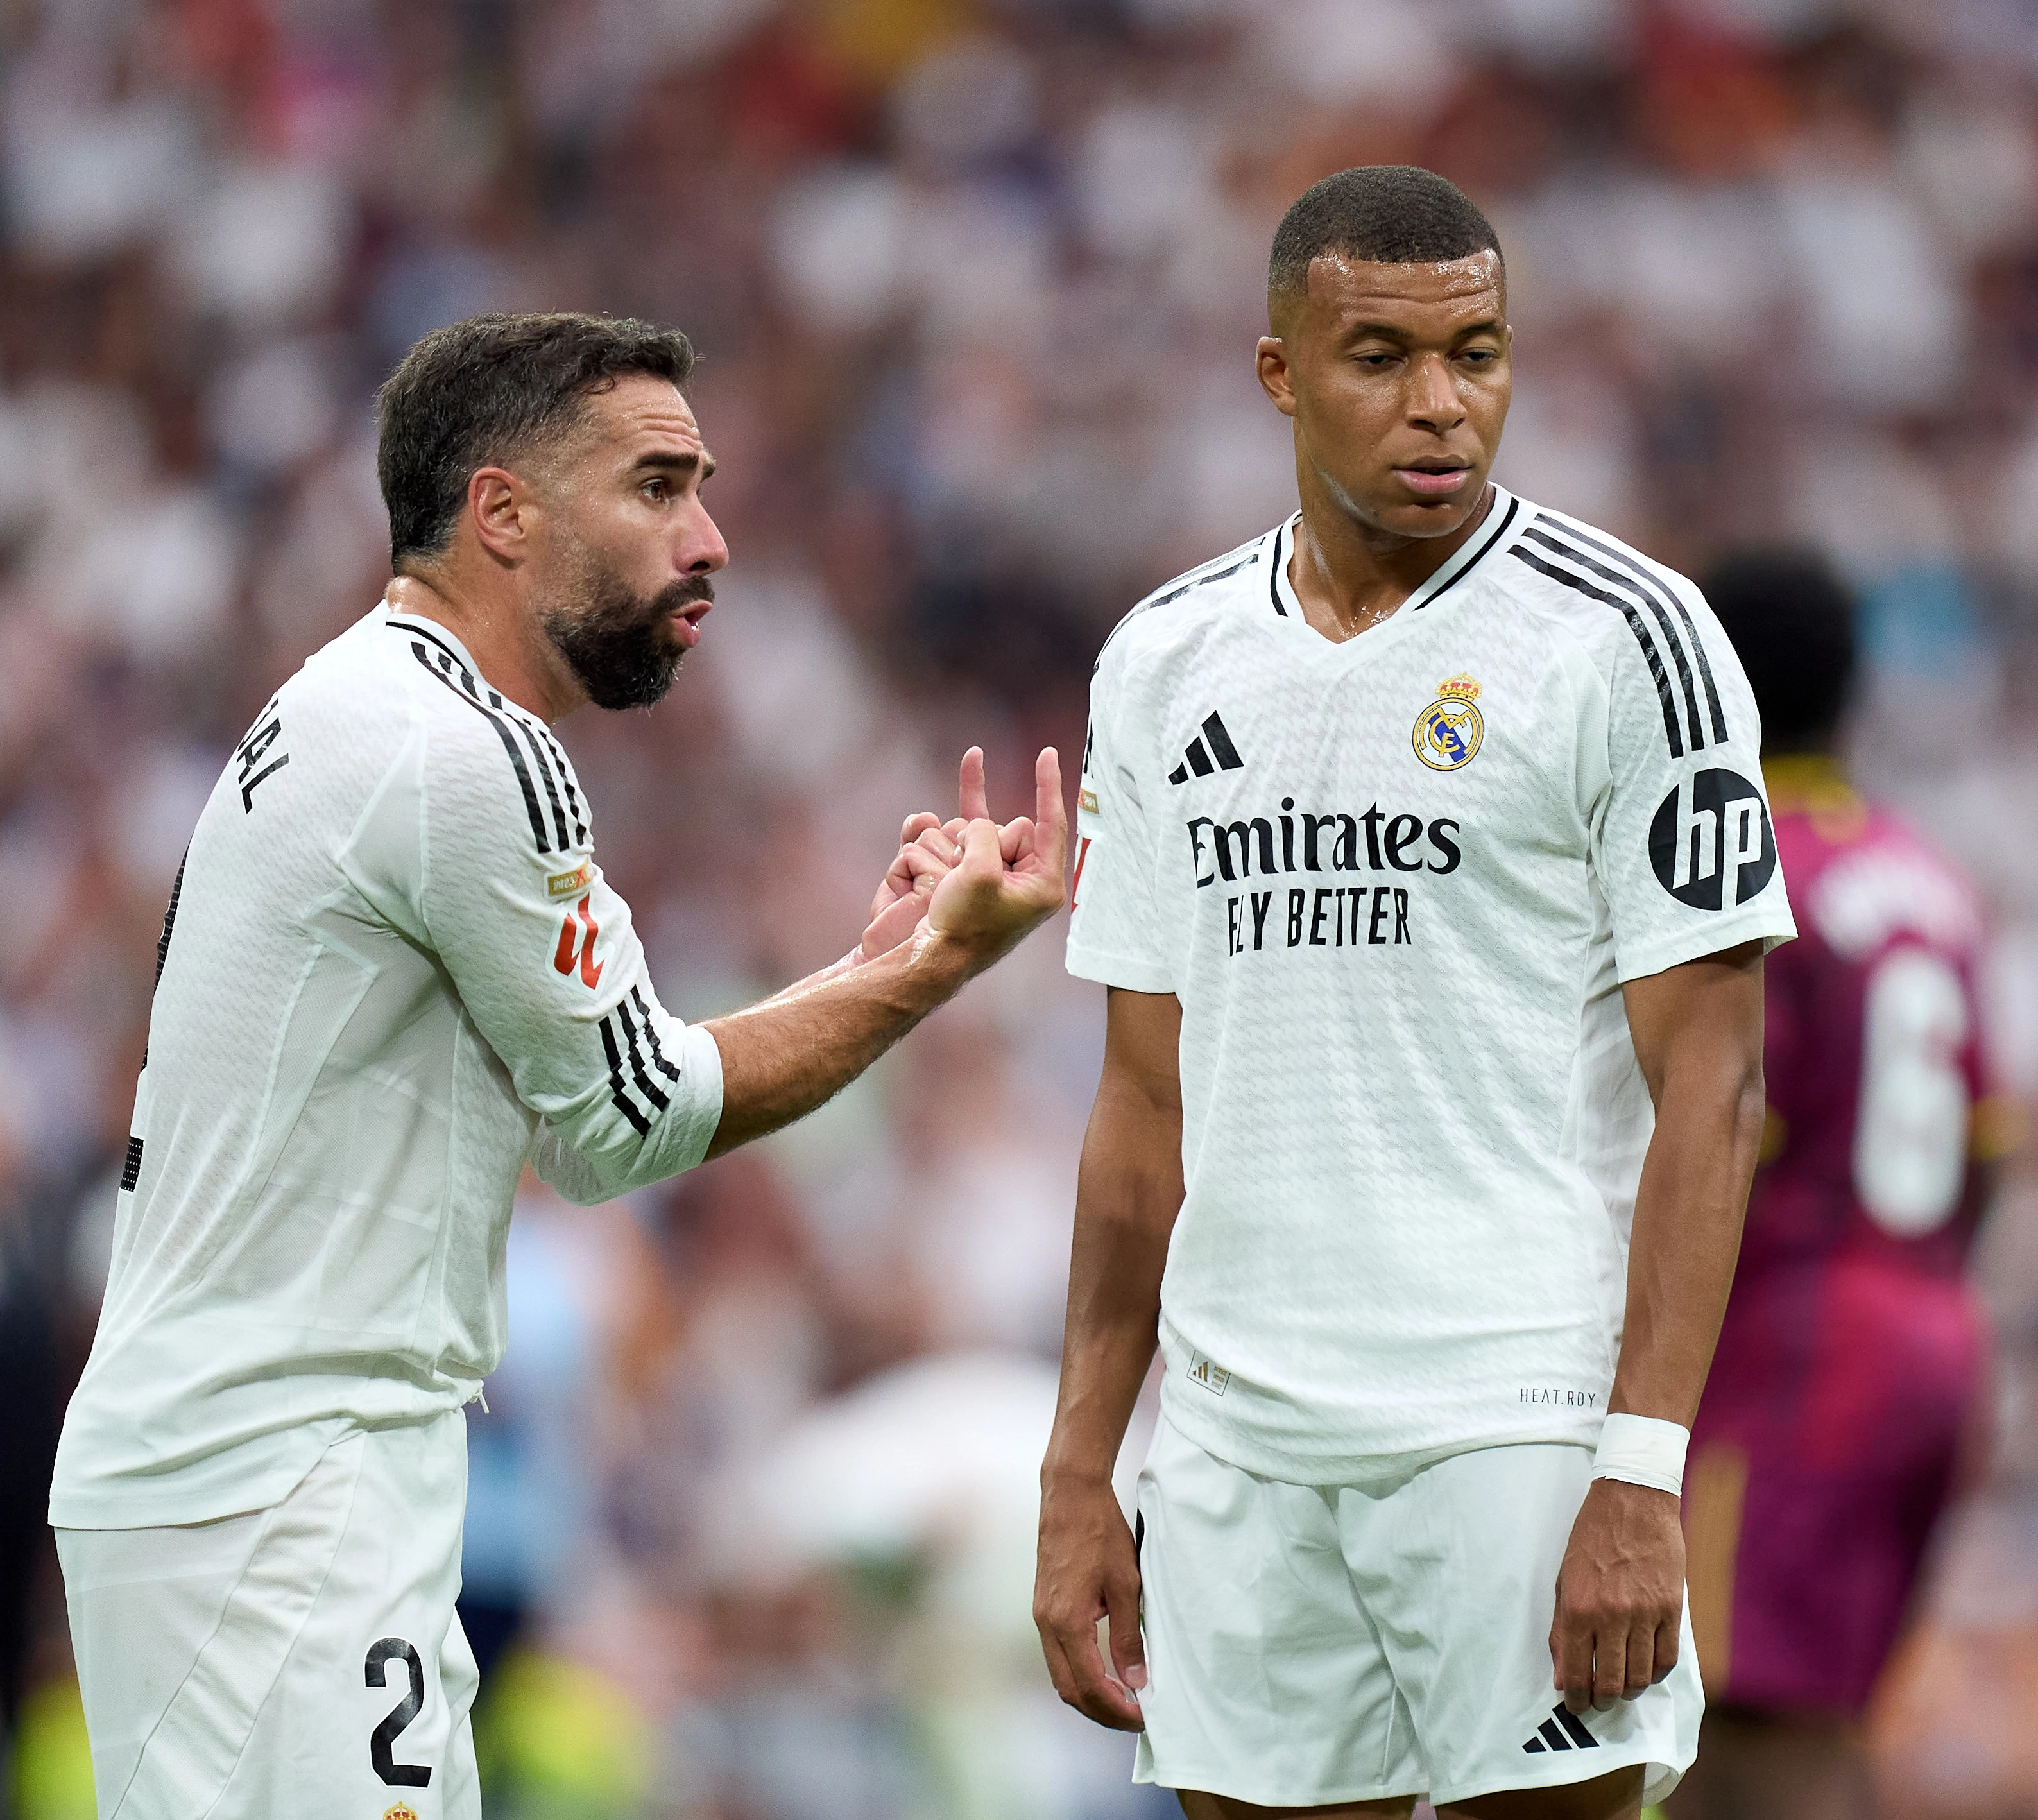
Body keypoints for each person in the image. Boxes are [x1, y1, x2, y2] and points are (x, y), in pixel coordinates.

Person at [50, 311, 1069, 1820]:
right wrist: (929, 971)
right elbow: (637, 1118)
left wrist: (872, 961)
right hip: (285, 1495)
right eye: (657, 486)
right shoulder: (465, 749)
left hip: (246, 1473)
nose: (709, 537)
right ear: (503, 514)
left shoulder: (350, 704)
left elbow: (593, 1126)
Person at [1029, 166, 1790, 1819]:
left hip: (1513, 1419)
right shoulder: (1163, 660)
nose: (1441, 405)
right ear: (1279, 371)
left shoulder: (1628, 642)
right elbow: (1142, 1104)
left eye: (1480, 351)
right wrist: (1081, 1460)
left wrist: (1637, 1466)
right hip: (1236, 1440)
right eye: (1378, 356)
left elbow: (1714, 1092)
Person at [1663, 549, 1996, 1820]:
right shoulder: (1929, 878)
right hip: (1928, 1327)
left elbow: (1721, 1135)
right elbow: (1990, 1149)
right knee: (1801, 1721)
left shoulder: (1742, 863)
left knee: (1738, 1727)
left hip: (1796, 1351)